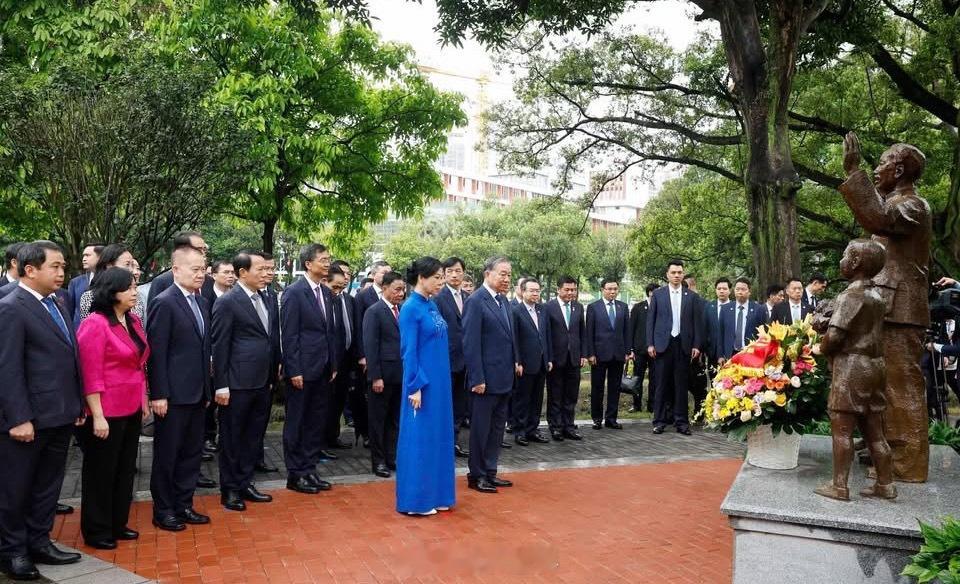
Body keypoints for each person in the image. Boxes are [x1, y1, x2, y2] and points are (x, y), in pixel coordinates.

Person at [840, 133, 932, 482]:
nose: (876, 169)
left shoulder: (912, 206)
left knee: (900, 383)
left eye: (880, 164)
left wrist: (854, 173)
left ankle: (908, 464)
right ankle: (887, 449)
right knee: (881, 385)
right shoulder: (894, 203)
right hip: (887, 307)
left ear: (898, 169)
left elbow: (878, 219)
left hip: (902, 310)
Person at [0, 241, 84, 580]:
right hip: (27, 419)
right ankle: (12, 551)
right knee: (15, 487)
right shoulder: (11, 308)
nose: (62, 273)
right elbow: (7, 369)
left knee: (48, 486)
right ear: (29, 269)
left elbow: (68, 358)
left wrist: (76, 403)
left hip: (60, 414)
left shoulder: (58, 302)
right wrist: (18, 417)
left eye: (64, 266)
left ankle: (39, 540)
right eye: (55, 266)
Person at [813, 239, 895, 501]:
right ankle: (886, 484)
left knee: (842, 428)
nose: (841, 261)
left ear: (856, 262)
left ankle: (839, 486)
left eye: (845, 255)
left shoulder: (851, 295)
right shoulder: (877, 296)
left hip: (852, 367)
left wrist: (820, 348)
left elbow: (835, 336)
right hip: (876, 367)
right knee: (874, 430)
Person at [76, 267, 150, 549]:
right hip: (106, 408)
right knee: (101, 472)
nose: (135, 292)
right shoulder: (95, 323)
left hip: (131, 405)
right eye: (129, 288)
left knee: (124, 468)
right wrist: (97, 414)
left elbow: (139, 363)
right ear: (112, 292)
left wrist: (143, 397)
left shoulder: (131, 320)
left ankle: (118, 523)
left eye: (135, 286)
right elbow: (90, 372)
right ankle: (97, 530)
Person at [146, 246, 212, 531]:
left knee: (191, 454)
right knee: (167, 455)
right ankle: (164, 510)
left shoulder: (201, 302)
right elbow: (157, 353)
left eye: (203, 269)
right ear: (175, 269)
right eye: (195, 269)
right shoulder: (165, 302)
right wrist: (158, 394)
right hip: (172, 396)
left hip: (198, 394)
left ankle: (184, 504)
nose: (201, 275)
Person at [211, 251, 280, 512]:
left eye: (267, 269)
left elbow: (269, 338)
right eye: (260, 269)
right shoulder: (228, 302)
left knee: (253, 437)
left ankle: (245, 482)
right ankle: (229, 489)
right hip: (236, 383)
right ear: (243, 273)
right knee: (232, 438)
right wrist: (221, 384)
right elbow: (220, 346)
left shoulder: (267, 298)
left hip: (262, 381)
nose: (266, 274)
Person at [396, 257, 455, 516]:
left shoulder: (432, 305)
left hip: (440, 384)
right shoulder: (410, 308)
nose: (441, 282)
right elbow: (409, 352)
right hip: (422, 384)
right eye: (437, 278)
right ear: (422, 278)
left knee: (439, 438)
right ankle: (416, 500)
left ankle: (438, 494)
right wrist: (414, 386)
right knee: (420, 439)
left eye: (443, 277)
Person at [280, 243, 336, 494]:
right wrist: (294, 370)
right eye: (323, 260)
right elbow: (289, 335)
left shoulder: (326, 293)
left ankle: (310, 469)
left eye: (329, 259)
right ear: (308, 264)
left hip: (323, 369)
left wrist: (333, 363)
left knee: (316, 422)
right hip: (302, 369)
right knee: (298, 422)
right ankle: (296, 473)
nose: (327, 264)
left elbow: (330, 332)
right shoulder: (294, 293)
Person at [463, 256, 517, 493]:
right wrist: (477, 378)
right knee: (480, 430)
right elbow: (470, 343)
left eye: (509, 274)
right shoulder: (476, 301)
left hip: (504, 378)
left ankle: (490, 471)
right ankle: (476, 475)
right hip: (484, 381)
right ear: (487, 274)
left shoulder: (503, 301)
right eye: (502, 274)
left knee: (497, 429)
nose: (506, 279)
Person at [646, 259, 702, 436]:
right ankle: (659, 421)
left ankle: (681, 422)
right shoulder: (658, 295)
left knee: (681, 385)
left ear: (683, 274)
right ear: (667, 275)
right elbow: (651, 321)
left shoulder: (692, 297)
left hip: (683, 345)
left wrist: (696, 345)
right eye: (673, 272)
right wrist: (650, 343)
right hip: (663, 345)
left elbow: (697, 323)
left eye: (679, 272)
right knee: (661, 384)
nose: (677, 275)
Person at [362, 271, 405, 478]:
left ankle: (391, 457)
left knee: (394, 420)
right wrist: (375, 376)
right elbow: (371, 347)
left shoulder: (402, 311)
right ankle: (377, 462)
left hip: (400, 375)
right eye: (397, 289)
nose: (401, 293)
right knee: (378, 421)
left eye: (403, 289)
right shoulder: (374, 312)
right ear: (385, 288)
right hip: (382, 377)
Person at [434, 257, 471, 457]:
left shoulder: (468, 297)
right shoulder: (438, 298)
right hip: (446, 360)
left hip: (467, 360)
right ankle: (442, 443)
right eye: (450, 271)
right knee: (444, 404)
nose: (455, 275)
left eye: (458, 271)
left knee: (460, 404)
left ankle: (453, 441)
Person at [326, 264, 365, 450]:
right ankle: (322, 439)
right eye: (342, 273)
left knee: (340, 400)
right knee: (327, 401)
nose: (346, 277)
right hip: (329, 359)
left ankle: (333, 436)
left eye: (348, 274)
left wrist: (359, 355)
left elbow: (355, 329)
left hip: (347, 359)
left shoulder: (349, 299)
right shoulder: (327, 299)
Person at [585, 278, 632, 430]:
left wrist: (627, 351)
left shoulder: (623, 307)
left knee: (615, 388)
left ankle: (611, 418)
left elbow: (627, 331)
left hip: (618, 354)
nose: (612, 292)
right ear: (602, 290)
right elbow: (589, 332)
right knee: (597, 387)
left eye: (615, 289)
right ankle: (597, 418)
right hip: (599, 354)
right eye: (609, 289)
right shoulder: (593, 307)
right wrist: (590, 353)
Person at [544, 275, 586, 441]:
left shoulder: (578, 307)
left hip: (574, 358)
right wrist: (548, 357)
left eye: (573, 290)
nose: (571, 293)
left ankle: (569, 425)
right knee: (555, 394)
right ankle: (556, 426)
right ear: (558, 289)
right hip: (556, 359)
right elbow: (545, 334)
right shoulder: (548, 307)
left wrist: (583, 353)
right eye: (567, 290)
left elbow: (582, 332)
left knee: (571, 394)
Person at [511, 278, 552, 445]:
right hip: (525, 364)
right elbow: (515, 339)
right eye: (532, 290)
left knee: (537, 398)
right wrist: (517, 361)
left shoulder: (542, 310)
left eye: (538, 290)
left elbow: (546, 335)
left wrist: (549, 358)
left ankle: (532, 429)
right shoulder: (516, 311)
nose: (535, 294)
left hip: (541, 362)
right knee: (522, 399)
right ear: (523, 291)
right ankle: (519, 431)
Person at [146, 231, 216, 310]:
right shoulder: (162, 282)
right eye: (198, 250)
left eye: (204, 250)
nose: (203, 254)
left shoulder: (208, 281)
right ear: (182, 250)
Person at [75, 244, 139, 325]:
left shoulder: (136, 297)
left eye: (132, 265)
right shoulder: (90, 297)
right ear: (109, 265)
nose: (131, 270)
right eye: (127, 265)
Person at [717, 278, 763, 361]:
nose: (740, 292)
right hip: (730, 354)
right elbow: (720, 333)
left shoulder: (758, 309)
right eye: (737, 289)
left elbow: (763, 334)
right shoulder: (725, 309)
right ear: (734, 291)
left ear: (749, 292)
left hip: (751, 354)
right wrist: (720, 355)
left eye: (743, 289)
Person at [629, 283, 658, 413]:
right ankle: (636, 404)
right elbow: (631, 329)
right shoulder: (638, 307)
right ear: (649, 293)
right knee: (637, 378)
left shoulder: (661, 308)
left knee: (655, 378)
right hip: (639, 349)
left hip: (656, 350)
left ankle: (652, 404)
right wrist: (630, 349)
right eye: (654, 292)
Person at [66, 243, 104, 321]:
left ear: (101, 257)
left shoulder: (112, 281)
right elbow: (70, 312)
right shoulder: (75, 283)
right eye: (83, 256)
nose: (84, 259)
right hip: (80, 330)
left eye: (88, 255)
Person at [705, 278, 732, 364]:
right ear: (715, 290)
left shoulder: (735, 308)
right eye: (719, 289)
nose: (721, 291)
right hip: (712, 352)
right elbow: (704, 329)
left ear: (730, 291)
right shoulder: (708, 307)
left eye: (724, 289)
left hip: (731, 352)